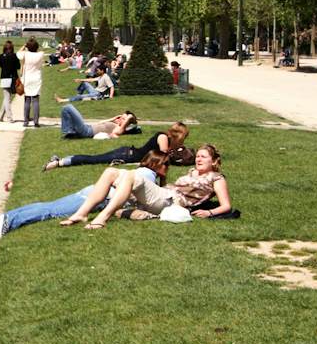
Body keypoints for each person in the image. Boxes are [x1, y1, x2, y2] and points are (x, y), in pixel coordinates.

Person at [60, 144, 233, 227]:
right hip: (163, 195)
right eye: (198, 156)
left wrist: (209, 212)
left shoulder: (216, 178)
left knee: (131, 176)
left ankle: (102, 219)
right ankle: (81, 214)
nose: (199, 159)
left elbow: (226, 205)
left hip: (172, 202)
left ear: (214, 161)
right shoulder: (191, 172)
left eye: (204, 157)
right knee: (110, 172)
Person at [54, 107, 143, 144]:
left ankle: (68, 132)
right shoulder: (114, 124)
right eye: (120, 117)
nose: (120, 119)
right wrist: (113, 118)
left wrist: (130, 118)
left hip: (86, 131)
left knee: (68, 107)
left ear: (126, 123)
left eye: (123, 119)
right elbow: (100, 122)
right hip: (87, 127)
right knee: (65, 109)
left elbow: (130, 118)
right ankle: (70, 133)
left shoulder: (119, 129)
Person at [18, 38, 47, 128]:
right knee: (35, 100)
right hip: (36, 79)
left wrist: (24, 46)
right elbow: (42, 50)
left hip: (27, 79)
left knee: (27, 100)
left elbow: (18, 53)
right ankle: (36, 122)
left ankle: (26, 121)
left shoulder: (25, 54)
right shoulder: (40, 54)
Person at [0, 41, 20, 124]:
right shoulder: (14, 56)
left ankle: (0, 116)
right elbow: (18, 67)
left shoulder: (0, 56)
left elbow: (1, 66)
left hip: (4, 78)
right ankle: (9, 117)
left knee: (6, 98)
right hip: (13, 78)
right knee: (7, 98)